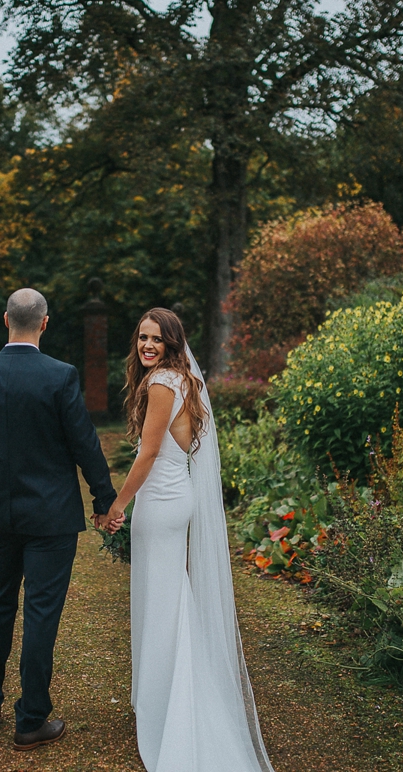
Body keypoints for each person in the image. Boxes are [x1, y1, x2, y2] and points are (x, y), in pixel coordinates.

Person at [102, 307, 276, 772]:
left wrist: (118, 504)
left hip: (160, 506)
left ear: (172, 343)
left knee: (162, 605)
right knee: (167, 599)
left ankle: (167, 708)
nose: (147, 346)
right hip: (172, 500)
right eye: (142, 337)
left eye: (156, 339)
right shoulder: (182, 381)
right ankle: (161, 696)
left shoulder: (162, 384)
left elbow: (150, 452)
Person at [0, 288, 117, 751]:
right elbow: (85, 444)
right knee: (40, 612)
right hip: (51, 518)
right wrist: (104, 500)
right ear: (44, 323)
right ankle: (30, 720)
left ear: (5, 319)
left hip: (0, 517)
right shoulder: (60, 377)